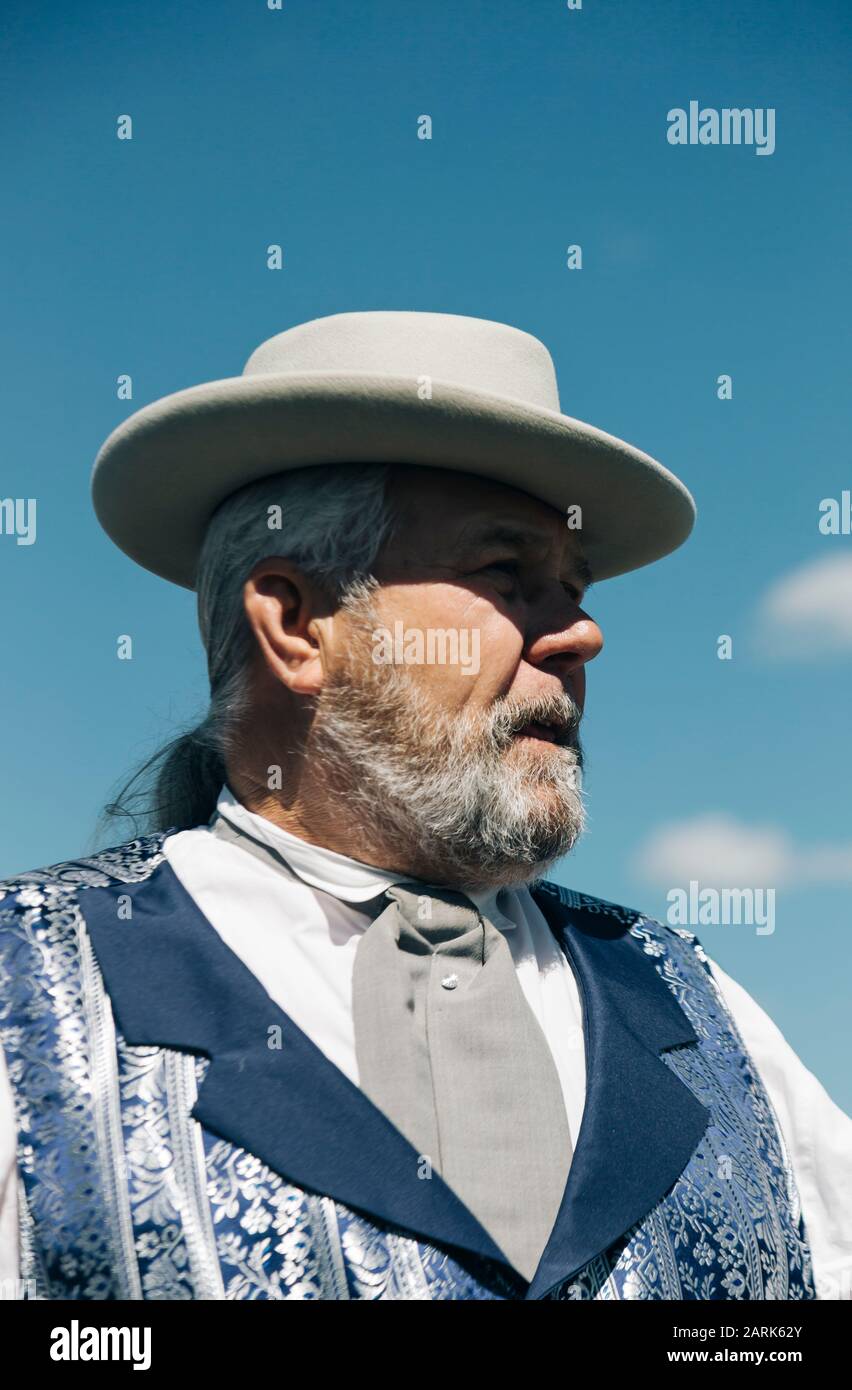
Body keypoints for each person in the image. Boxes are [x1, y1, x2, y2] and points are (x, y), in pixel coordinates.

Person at [0, 310, 849, 1301]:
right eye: (507, 574)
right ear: (298, 623)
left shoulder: (693, 1003)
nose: (584, 636)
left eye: (574, 588)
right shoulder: (31, 990)